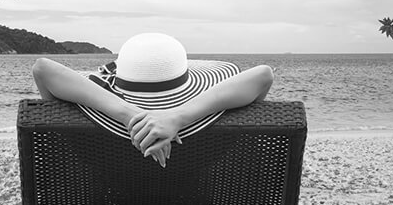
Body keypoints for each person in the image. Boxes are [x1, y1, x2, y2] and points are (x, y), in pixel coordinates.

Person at [32, 33, 273, 168]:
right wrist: (178, 117)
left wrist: (127, 115)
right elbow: (263, 75)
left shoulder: (93, 138)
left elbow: (42, 69)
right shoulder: (207, 123)